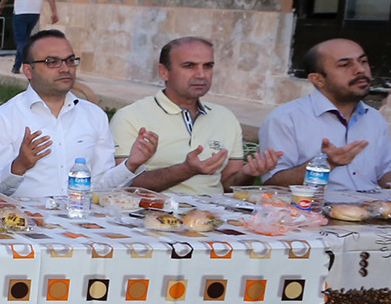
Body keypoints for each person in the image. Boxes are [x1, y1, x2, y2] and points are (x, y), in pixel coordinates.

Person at [0, 29, 159, 198]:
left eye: (70, 61)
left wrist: (131, 165)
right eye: (52, 62)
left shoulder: (94, 116)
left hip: (81, 217)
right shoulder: (4, 118)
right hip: (23, 219)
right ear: (28, 70)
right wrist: (19, 166)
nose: (65, 68)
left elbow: (100, 188)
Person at [258, 40, 391, 193]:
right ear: (318, 79)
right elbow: (273, 185)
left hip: (371, 212)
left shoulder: (375, 118)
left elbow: (383, 180)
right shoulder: (287, 118)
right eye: (345, 65)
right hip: (313, 214)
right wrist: (327, 164)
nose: (360, 69)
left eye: (363, 61)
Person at [109, 37, 281, 195]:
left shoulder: (225, 118)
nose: (201, 74)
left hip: (215, 213)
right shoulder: (131, 117)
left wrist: (248, 173)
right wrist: (186, 170)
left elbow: (228, 186)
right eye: (189, 66)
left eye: (208, 66)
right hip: (150, 212)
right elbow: (122, 184)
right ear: (164, 72)